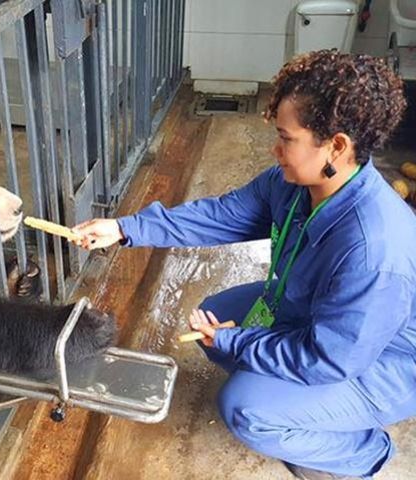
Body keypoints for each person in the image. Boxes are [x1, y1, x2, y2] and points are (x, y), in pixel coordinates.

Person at [72, 50, 415, 480]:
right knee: (214, 318)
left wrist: (241, 345)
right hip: (308, 314)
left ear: (338, 145)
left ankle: (362, 451)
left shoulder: (373, 250)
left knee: (244, 407)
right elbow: (220, 215)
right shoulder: (297, 184)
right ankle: (301, 407)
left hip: (376, 363)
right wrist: (125, 229)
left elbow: (329, 358)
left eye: (287, 139)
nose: (276, 150)